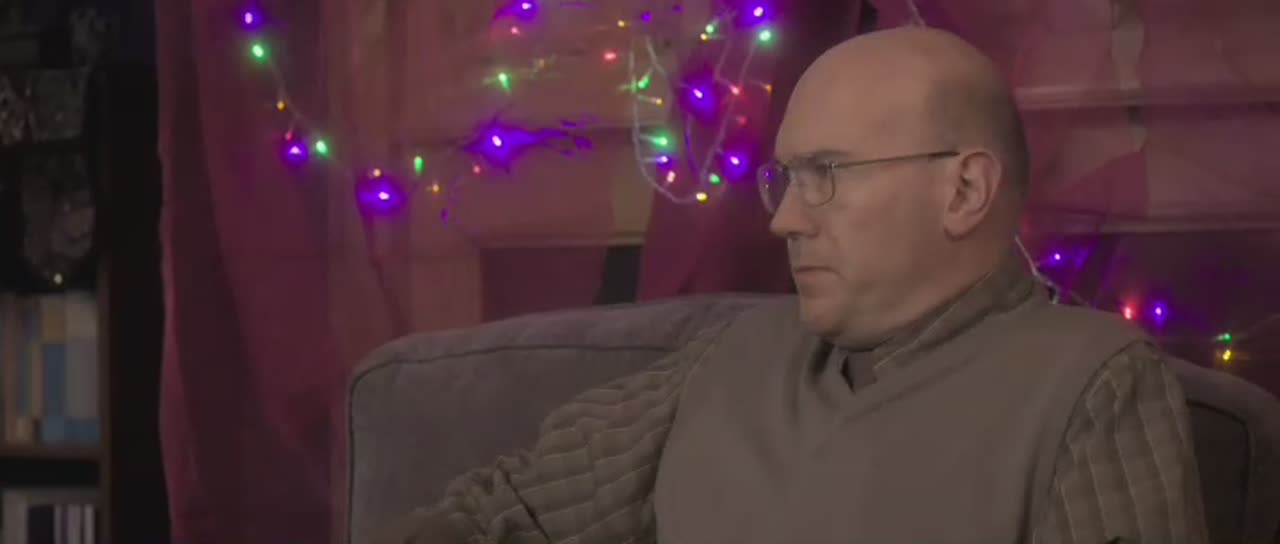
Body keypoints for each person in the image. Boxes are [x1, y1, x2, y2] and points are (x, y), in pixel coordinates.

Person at [370, 26, 1208, 544]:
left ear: (963, 191)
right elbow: (502, 515)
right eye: (785, 180)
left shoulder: (1091, 384)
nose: (785, 222)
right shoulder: (728, 361)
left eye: (827, 175)